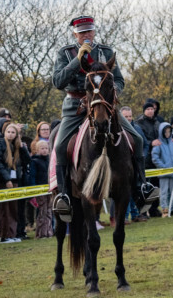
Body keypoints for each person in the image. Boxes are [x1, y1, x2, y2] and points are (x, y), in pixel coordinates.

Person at [50, 15, 157, 222]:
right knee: (61, 146)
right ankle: (64, 196)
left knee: (137, 139)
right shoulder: (65, 53)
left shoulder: (106, 52)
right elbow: (58, 81)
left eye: (89, 31)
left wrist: (110, 91)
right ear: (75, 34)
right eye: (82, 32)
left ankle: (140, 188)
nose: (86, 35)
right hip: (75, 105)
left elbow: (119, 80)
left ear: (94, 31)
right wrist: (77, 59)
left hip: (103, 105)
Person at [0, 122, 29, 242]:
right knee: (4, 209)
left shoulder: (18, 146)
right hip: (3, 181)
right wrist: (6, 179)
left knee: (14, 208)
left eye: (13, 132)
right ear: (5, 133)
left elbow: (27, 161)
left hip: (15, 180)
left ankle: (12, 234)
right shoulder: (0, 144)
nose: (10, 134)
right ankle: (4, 235)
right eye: (8, 132)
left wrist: (23, 148)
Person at [152, 119, 173, 217]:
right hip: (164, 173)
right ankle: (165, 210)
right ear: (162, 132)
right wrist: (163, 167)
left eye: (169, 131)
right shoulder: (158, 144)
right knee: (164, 192)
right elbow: (155, 157)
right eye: (165, 131)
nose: (167, 133)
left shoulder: (172, 142)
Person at [29, 139, 53, 237]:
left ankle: (49, 231)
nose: (44, 150)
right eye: (42, 148)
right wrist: (34, 190)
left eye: (46, 148)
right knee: (42, 212)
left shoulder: (49, 160)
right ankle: (41, 233)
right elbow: (32, 176)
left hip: (49, 189)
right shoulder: (34, 161)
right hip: (40, 190)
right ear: (37, 150)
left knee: (49, 211)